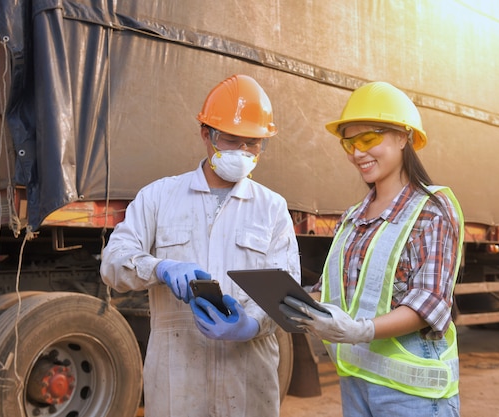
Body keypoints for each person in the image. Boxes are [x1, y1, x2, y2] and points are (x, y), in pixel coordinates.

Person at [100, 74, 301, 417]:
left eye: (253, 143)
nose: (242, 152)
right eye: (232, 139)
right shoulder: (159, 197)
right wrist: (160, 268)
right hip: (178, 385)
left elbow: (288, 293)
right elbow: (113, 263)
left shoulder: (272, 207)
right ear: (205, 134)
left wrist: (252, 323)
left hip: (247, 384)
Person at [281, 81, 464, 417]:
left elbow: (430, 303)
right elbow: (331, 291)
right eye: (348, 143)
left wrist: (360, 330)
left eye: (368, 139)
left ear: (403, 136)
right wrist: (290, 304)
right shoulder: (352, 218)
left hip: (413, 397)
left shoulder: (431, 210)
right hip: (356, 383)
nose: (357, 153)